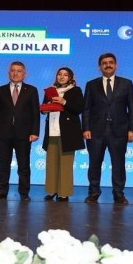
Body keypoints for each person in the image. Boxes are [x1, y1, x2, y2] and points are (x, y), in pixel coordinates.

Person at [82, 52, 133, 204]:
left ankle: (118, 193)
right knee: (94, 163)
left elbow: (132, 108)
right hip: (95, 132)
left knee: (118, 164)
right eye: (104, 63)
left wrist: (132, 129)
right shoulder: (91, 85)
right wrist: (85, 128)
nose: (108, 65)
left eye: (111, 62)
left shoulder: (126, 84)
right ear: (99, 67)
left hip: (119, 131)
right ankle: (94, 192)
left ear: (116, 65)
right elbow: (86, 109)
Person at [0, 61, 40, 201]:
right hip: (3, 134)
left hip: (24, 134)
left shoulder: (31, 90)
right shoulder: (0, 90)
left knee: (24, 165)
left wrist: (35, 132)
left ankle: (24, 192)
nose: (15, 73)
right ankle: (2, 191)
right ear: (8, 73)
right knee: (3, 165)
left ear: (25, 73)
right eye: (12, 70)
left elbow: (35, 113)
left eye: (18, 71)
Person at [41, 67, 85, 202]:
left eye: (65, 75)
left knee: (66, 164)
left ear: (70, 77)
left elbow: (79, 108)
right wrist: (45, 108)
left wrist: (64, 102)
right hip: (51, 131)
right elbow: (43, 107)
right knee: (51, 163)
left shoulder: (75, 90)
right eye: (59, 74)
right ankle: (52, 190)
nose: (61, 77)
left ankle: (64, 193)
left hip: (68, 132)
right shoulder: (50, 90)